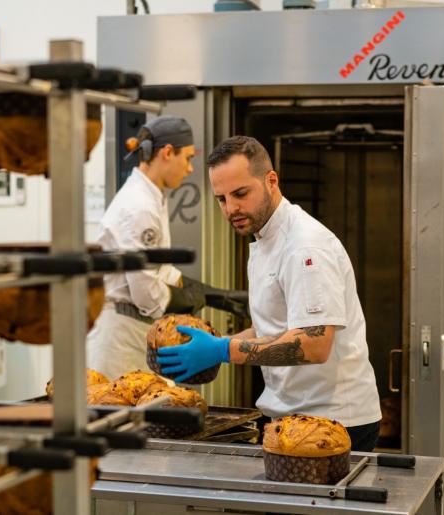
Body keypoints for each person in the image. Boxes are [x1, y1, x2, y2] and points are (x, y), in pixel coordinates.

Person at [157, 136, 382, 451]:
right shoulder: (265, 238)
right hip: (288, 417)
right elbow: (276, 329)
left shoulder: (305, 245)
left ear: (271, 181)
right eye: (221, 198)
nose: (231, 208)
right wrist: (216, 344)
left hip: (333, 423)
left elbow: (315, 344)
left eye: (241, 193)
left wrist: (224, 350)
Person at [86, 116, 205, 379]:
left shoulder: (151, 197)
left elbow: (157, 268)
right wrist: (184, 301)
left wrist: (212, 293)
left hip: (135, 328)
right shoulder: (138, 205)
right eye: (187, 158)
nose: (190, 169)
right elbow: (146, 294)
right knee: (123, 413)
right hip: (121, 337)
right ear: (166, 152)